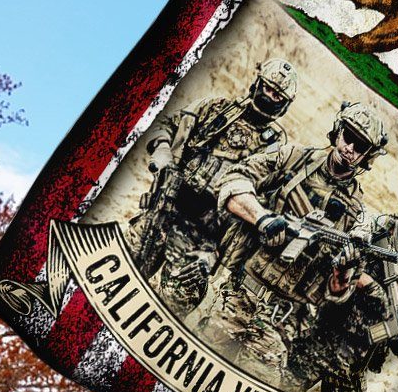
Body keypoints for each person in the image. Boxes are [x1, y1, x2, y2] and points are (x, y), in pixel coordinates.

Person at [198, 101, 389, 374]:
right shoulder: (293, 158)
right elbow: (234, 179)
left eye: (361, 147)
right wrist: (263, 219)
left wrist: (344, 271)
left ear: (367, 156)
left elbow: (334, 292)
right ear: (338, 131)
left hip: (281, 324)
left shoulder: (357, 215)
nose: (350, 149)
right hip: (239, 297)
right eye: (349, 137)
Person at [127, 58, 297, 320]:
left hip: (203, 240)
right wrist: (161, 147)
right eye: (268, 88)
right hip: (162, 214)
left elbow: (262, 210)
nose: (269, 97)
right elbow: (166, 125)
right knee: (118, 278)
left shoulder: (277, 152)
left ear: (284, 105)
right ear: (257, 84)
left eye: (277, 95)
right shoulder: (216, 109)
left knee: (165, 314)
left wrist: (217, 254)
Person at [286, 178, 398, 392]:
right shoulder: (373, 228)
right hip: (323, 341)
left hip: (354, 363)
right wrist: (372, 287)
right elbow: (337, 260)